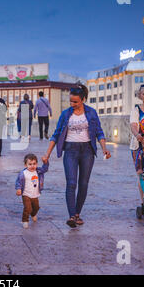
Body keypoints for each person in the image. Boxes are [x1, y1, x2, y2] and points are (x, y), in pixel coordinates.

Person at [43, 82, 111, 228]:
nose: (72, 104)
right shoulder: (66, 114)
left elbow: (99, 132)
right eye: (71, 101)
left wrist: (104, 148)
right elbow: (56, 135)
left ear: (83, 99)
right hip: (70, 150)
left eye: (75, 101)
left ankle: (78, 213)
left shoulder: (91, 113)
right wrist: (47, 154)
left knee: (84, 184)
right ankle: (72, 216)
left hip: (87, 150)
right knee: (71, 183)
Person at [15, 153, 49, 228]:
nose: (32, 166)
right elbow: (18, 182)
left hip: (35, 194)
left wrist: (45, 162)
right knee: (28, 208)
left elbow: (45, 169)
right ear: (25, 165)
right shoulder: (23, 173)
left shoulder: (38, 171)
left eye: (34, 164)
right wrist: (18, 189)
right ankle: (25, 220)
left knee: (36, 207)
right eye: (30, 164)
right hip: (26, 194)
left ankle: (33, 214)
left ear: (36, 164)